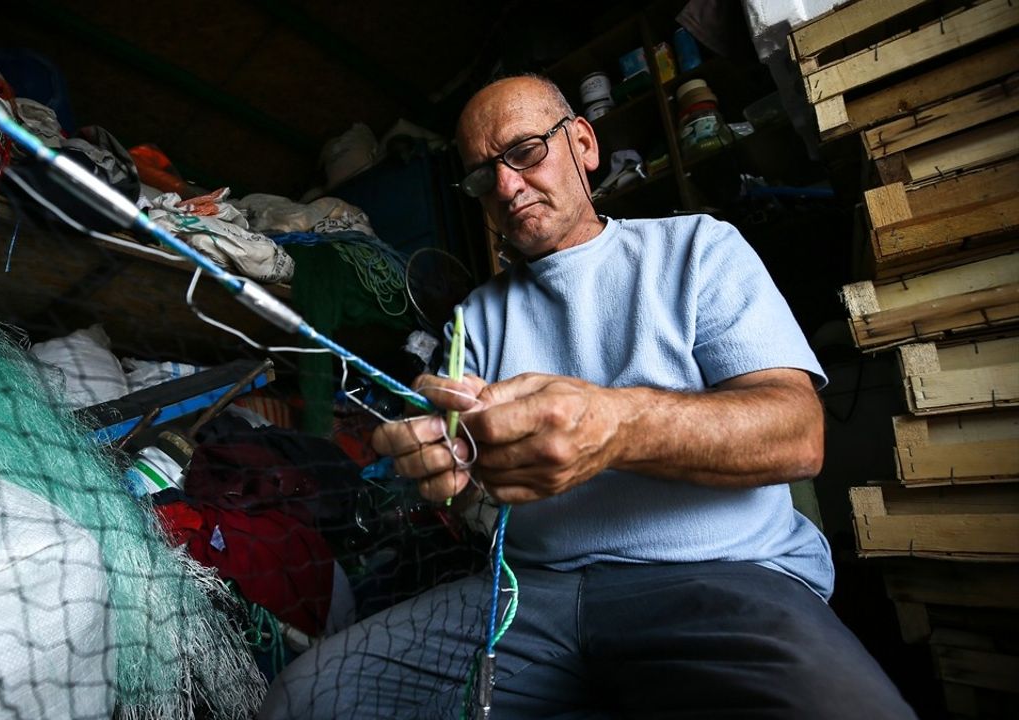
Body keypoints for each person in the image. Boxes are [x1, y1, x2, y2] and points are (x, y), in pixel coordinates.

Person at [259, 74, 915, 719]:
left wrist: (616, 426)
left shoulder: (698, 249)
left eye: (524, 152)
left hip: (718, 577)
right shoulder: (476, 318)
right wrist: (441, 466)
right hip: (528, 595)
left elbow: (798, 436)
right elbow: (468, 487)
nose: (508, 187)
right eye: (484, 176)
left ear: (583, 145)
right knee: (307, 697)